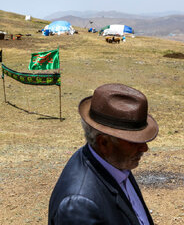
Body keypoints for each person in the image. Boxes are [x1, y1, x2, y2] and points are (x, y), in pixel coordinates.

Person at [48, 83, 158, 225]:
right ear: (103, 143)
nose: (144, 148)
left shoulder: (115, 163)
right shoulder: (79, 205)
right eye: (133, 141)